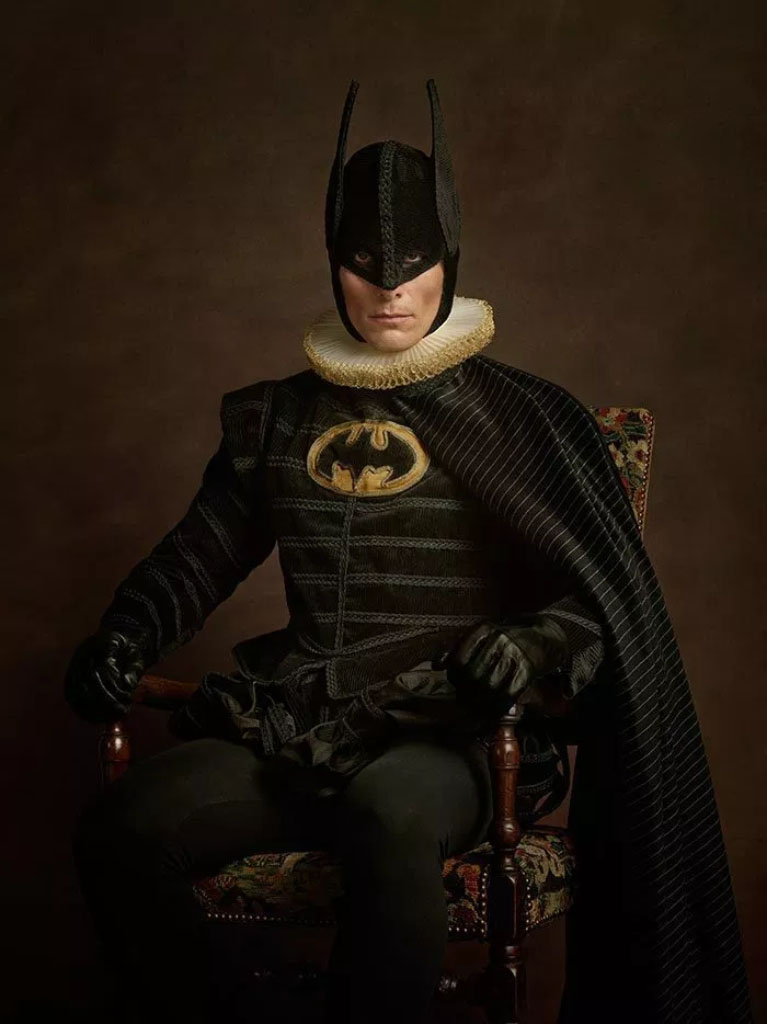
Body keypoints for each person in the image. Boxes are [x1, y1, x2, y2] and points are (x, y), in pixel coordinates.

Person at [66, 81, 752, 1024]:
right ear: (331, 265)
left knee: (386, 815)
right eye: (362, 263)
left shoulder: (521, 418)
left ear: (448, 261)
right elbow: (197, 556)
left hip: (453, 741)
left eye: (414, 263)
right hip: (298, 726)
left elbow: (597, 600)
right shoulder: (277, 418)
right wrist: (123, 634)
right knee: (123, 827)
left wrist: (532, 642)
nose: (390, 288)